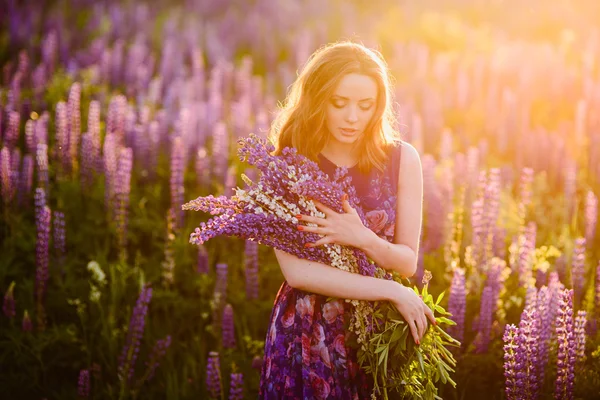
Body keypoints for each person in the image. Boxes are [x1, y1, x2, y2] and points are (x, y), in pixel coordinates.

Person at [259, 41, 435, 399]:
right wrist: (391, 291)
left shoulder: (403, 160)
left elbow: (406, 261)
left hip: (378, 333)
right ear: (317, 99)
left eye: (365, 105)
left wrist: (361, 237)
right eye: (339, 104)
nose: (353, 117)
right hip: (307, 334)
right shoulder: (287, 163)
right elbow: (297, 273)